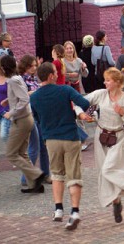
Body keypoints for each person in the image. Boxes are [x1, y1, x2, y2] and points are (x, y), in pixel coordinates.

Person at [76, 67, 124, 223]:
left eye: (108, 80)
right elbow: (81, 102)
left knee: (109, 169)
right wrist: (84, 114)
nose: (105, 82)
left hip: (118, 138)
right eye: (105, 80)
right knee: (103, 172)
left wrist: (123, 113)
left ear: (117, 82)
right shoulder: (100, 94)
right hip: (101, 136)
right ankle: (116, 201)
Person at [30, 62, 90, 230]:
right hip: (70, 136)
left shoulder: (34, 97)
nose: (57, 74)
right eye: (55, 72)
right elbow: (85, 103)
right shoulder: (65, 90)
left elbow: (36, 118)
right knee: (74, 175)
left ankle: (58, 209)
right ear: (50, 76)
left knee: (56, 174)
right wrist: (80, 114)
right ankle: (75, 211)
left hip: (51, 139)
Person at [1, 55, 45, 194]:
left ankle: (36, 175)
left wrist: (11, 112)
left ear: (3, 68)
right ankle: (34, 185)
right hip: (26, 118)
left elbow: (24, 98)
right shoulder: (16, 78)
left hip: (21, 120)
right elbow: (22, 94)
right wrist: (8, 100)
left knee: (11, 153)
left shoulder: (13, 80)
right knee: (22, 153)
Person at [17, 55, 51, 186]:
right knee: (33, 147)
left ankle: (46, 174)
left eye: (35, 65)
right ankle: (26, 178)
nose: (34, 68)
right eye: (31, 66)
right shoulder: (21, 80)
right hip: (28, 115)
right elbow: (23, 96)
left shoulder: (35, 79)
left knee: (44, 147)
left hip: (39, 114)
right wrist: (37, 91)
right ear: (25, 66)